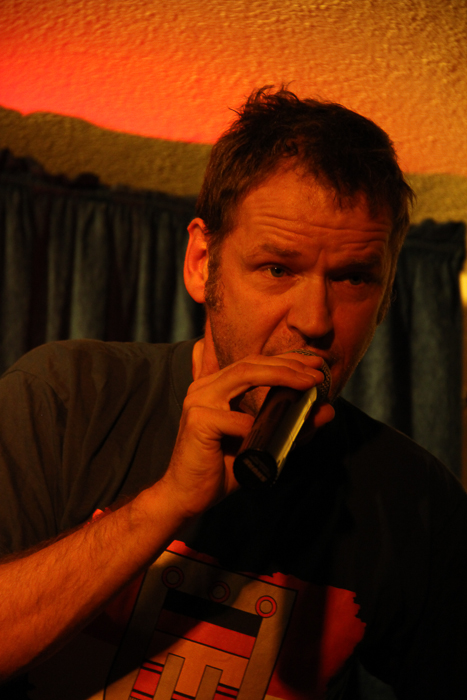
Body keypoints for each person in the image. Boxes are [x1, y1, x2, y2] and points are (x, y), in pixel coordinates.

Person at [0, 87, 466, 700]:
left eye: (354, 278)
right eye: (278, 269)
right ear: (202, 262)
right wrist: (166, 503)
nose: (315, 320)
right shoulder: (69, 396)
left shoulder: (414, 497)